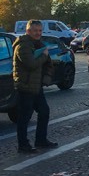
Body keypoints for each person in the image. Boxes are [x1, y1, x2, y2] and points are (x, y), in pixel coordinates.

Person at [12, 19, 57, 154]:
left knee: (44, 112)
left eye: (40, 31)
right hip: (25, 86)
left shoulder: (38, 44)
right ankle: (23, 145)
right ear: (28, 31)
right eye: (35, 31)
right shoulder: (23, 46)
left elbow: (47, 64)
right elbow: (31, 64)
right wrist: (44, 56)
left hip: (36, 86)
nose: (38, 33)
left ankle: (41, 140)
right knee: (24, 117)